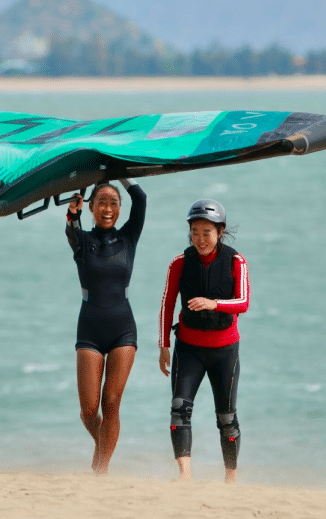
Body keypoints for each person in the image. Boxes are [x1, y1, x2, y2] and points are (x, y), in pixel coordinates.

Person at [158, 199, 250, 483]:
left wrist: (214, 303)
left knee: (226, 418)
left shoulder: (236, 262)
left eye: (206, 232)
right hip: (189, 349)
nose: (200, 238)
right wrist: (164, 345)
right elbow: (167, 303)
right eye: (195, 231)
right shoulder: (180, 263)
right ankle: (184, 475)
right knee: (179, 409)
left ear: (220, 231)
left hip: (225, 351)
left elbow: (243, 302)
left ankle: (230, 478)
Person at [66, 178, 146, 475]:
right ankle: (103, 448)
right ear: (91, 207)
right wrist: (72, 214)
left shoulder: (128, 238)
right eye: (102, 202)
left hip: (123, 328)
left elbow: (141, 199)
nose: (108, 208)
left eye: (113, 202)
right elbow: (71, 228)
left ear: (120, 209)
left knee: (111, 401)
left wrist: (120, 170)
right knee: (89, 411)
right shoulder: (83, 242)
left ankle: (101, 468)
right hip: (89, 329)